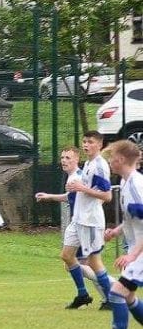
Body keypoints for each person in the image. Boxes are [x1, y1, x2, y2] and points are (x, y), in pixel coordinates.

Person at [35, 146, 113, 309]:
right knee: (68, 258)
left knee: (90, 263)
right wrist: (49, 196)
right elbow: (70, 198)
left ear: (77, 159)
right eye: (62, 157)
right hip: (76, 224)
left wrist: (90, 213)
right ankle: (84, 294)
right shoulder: (72, 178)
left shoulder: (79, 177)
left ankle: (111, 293)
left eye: (68, 158)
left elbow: (102, 197)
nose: (64, 160)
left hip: (87, 224)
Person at [56, 132, 113, 309]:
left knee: (94, 262)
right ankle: (82, 294)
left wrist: (81, 188)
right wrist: (79, 189)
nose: (86, 144)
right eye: (84, 141)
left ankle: (113, 298)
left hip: (90, 221)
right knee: (66, 256)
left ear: (100, 145)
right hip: (78, 220)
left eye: (90, 142)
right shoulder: (88, 163)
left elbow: (107, 195)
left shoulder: (100, 166)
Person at [101, 140, 143, 329]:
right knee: (127, 297)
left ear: (121, 160)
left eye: (111, 157)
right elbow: (132, 219)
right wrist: (116, 231)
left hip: (141, 252)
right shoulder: (126, 183)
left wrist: (133, 254)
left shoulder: (137, 184)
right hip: (138, 250)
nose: (109, 161)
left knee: (117, 292)